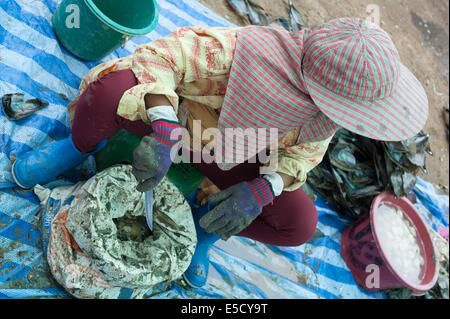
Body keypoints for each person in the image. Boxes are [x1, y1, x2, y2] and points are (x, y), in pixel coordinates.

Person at [11, 18, 428, 288]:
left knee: (299, 222)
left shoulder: (325, 110)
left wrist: (262, 191)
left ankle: (204, 227)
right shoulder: (238, 51)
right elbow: (157, 58)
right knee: (111, 90)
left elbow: (302, 156)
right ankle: (76, 147)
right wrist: (163, 129)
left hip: (232, 155)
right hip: (176, 122)